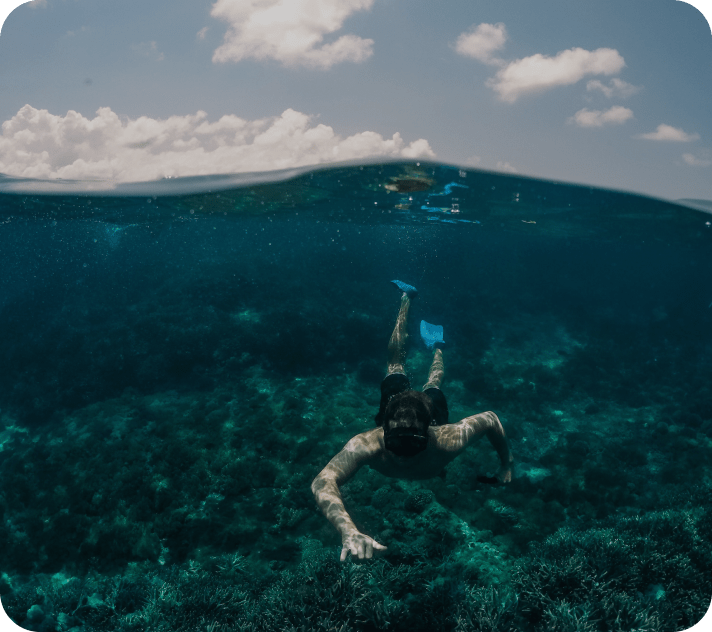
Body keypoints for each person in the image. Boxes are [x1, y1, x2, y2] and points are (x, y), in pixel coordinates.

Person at [311, 281, 514, 562]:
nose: (403, 452)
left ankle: (437, 346)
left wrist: (507, 463)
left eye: (412, 442)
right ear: (383, 428)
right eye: (396, 441)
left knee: (434, 381)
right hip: (400, 409)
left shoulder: (446, 438)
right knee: (395, 361)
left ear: (429, 430)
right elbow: (323, 481)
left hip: (426, 413)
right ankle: (407, 297)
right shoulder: (368, 444)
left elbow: (491, 419)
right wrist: (349, 530)